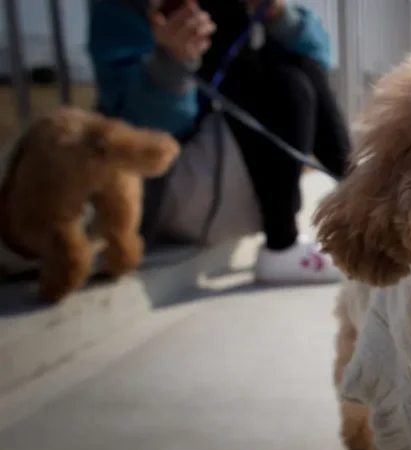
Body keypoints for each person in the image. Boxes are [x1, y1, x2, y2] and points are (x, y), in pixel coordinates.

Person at [87, 0, 351, 284]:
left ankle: (361, 199)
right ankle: (282, 244)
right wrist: (171, 63)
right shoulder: (122, 10)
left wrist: (279, 14)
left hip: (241, 182)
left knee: (300, 63)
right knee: (285, 86)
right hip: (173, 190)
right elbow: (141, 140)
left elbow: (320, 59)